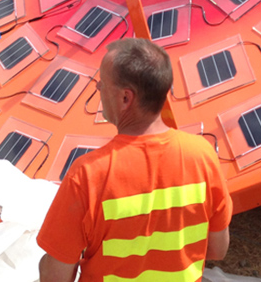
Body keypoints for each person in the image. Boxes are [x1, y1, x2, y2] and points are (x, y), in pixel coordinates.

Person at [37, 38, 233, 282]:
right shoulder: (203, 156)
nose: (98, 91)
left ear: (125, 98)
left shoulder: (87, 175)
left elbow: (56, 277)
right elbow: (217, 249)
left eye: (102, 85)